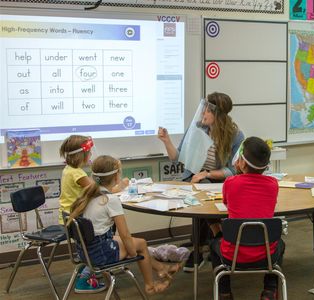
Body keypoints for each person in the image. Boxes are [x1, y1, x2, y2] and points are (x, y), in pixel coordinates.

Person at [68, 155, 180, 296]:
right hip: (99, 254)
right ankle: (150, 287)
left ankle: (161, 268)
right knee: (141, 244)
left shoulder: (88, 195)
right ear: (116, 177)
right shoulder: (111, 200)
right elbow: (125, 233)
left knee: (132, 243)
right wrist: (132, 252)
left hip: (84, 251)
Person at [158, 92, 245, 271]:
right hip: (196, 179)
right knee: (201, 190)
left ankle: (200, 248)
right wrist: (166, 141)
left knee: (202, 189)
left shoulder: (235, 135)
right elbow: (178, 158)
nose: (203, 112)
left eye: (207, 109)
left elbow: (233, 169)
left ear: (217, 114)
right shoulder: (197, 128)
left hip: (217, 180)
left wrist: (207, 173)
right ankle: (215, 234)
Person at [209, 137, 285, 300]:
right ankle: (270, 290)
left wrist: (237, 173)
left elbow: (227, 202)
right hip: (266, 255)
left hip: (233, 254)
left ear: (241, 162)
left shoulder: (230, 183)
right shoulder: (273, 184)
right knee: (280, 244)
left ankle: (224, 292)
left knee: (214, 244)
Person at [59, 135, 128, 293]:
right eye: (89, 153)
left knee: (93, 239)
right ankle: (86, 277)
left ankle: (93, 267)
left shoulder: (69, 170)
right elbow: (101, 190)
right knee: (102, 231)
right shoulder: (78, 175)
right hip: (78, 219)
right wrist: (120, 184)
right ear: (82, 155)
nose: (91, 156)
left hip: (72, 218)